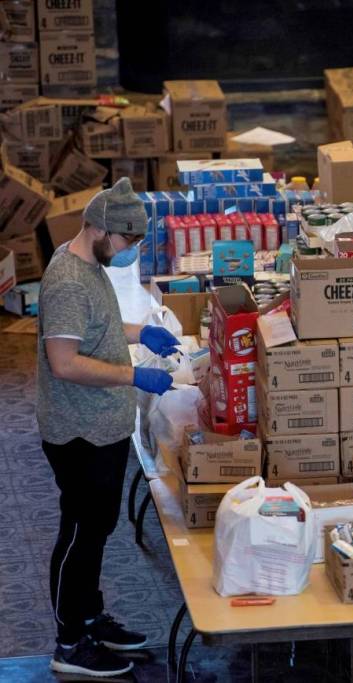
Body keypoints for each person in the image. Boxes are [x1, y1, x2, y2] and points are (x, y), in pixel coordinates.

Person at [37, 178, 179, 677]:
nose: (130, 250)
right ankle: (69, 644)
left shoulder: (89, 264)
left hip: (103, 427)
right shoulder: (68, 281)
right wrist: (133, 375)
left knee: (97, 530)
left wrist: (142, 334)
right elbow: (65, 362)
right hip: (79, 431)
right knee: (80, 533)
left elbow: (95, 328)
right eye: (127, 240)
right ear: (99, 228)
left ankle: (89, 616)